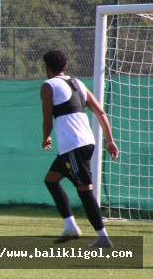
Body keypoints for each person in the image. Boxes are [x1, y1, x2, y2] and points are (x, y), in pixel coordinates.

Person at [40, 50, 119, 248]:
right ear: (65, 68)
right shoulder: (78, 83)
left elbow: (47, 119)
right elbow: (100, 111)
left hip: (74, 145)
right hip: (85, 142)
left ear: (47, 69)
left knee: (85, 191)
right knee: (51, 180)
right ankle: (70, 226)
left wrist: (45, 137)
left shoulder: (48, 85)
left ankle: (103, 238)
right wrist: (109, 140)